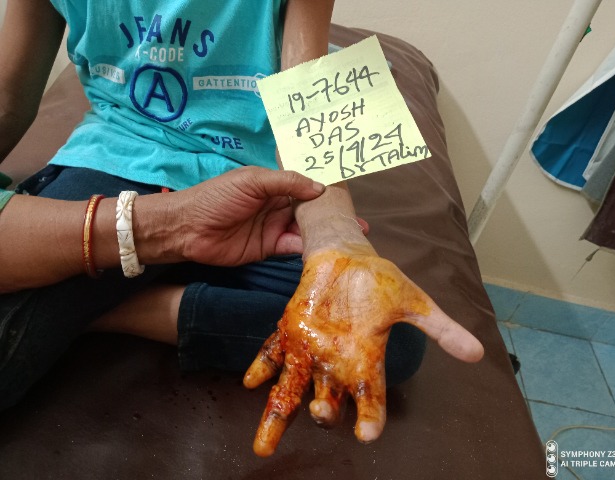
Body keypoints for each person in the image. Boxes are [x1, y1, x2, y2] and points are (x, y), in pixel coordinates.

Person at [0, 0, 484, 456]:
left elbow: (308, 92)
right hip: (116, 158)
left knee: (374, 337)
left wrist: (336, 238)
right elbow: (8, 96)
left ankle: (114, 309)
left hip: (256, 190)